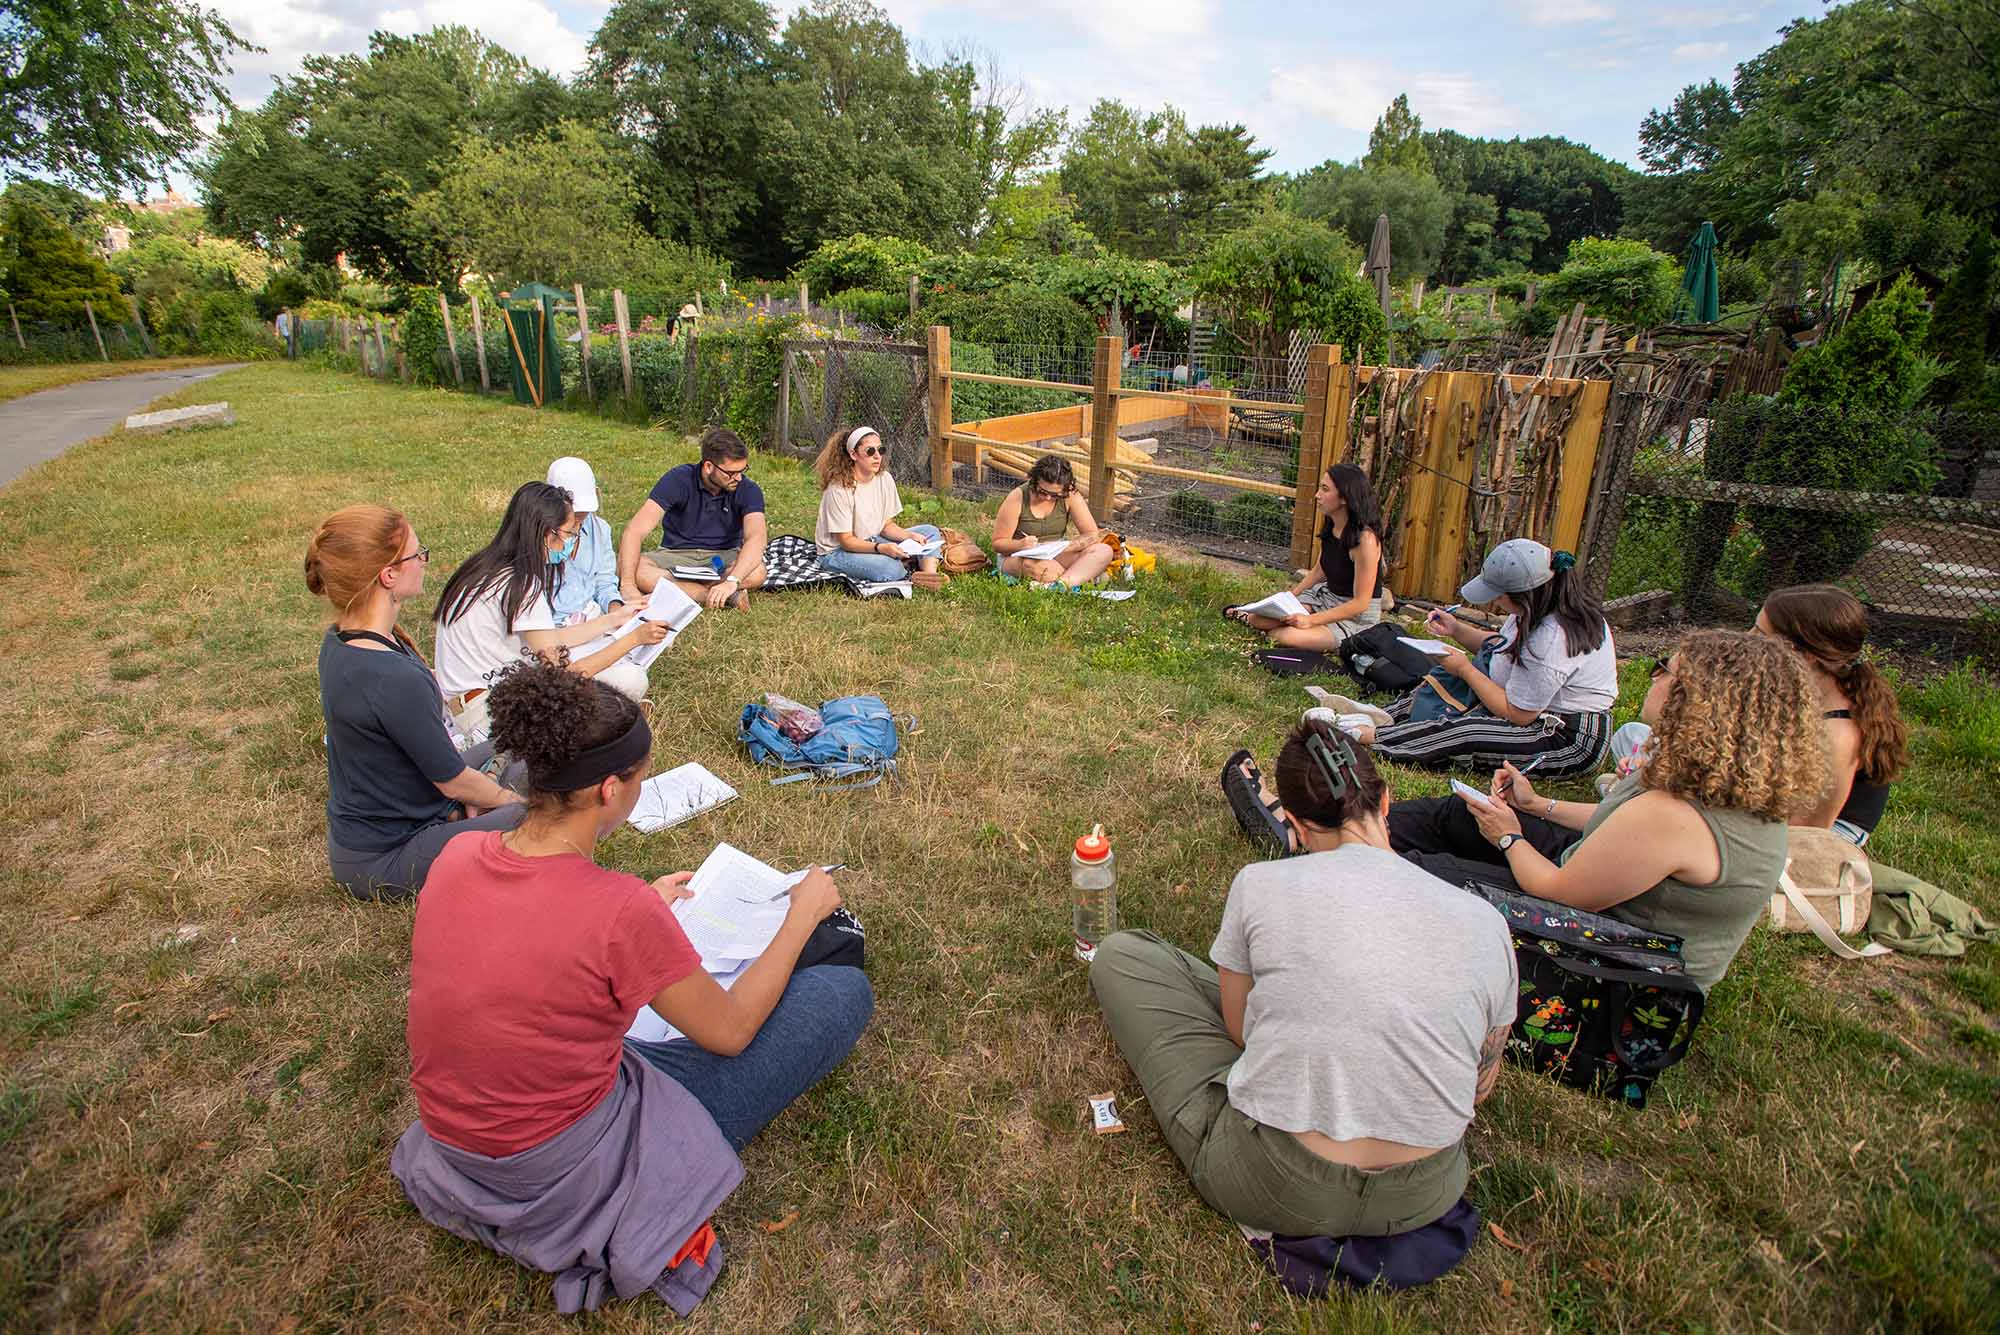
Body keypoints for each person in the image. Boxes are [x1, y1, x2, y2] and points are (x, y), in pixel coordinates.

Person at [391, 662, 872, 1315]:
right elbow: (728, 1031)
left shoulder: (455, 860)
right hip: (564, 1164)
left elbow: (523, 946)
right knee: (842, 993)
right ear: (610, 789)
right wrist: (798, 916)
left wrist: (640, 910)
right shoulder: (617, 912)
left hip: (456, 1143)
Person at [1094, 721, 1514, 1251]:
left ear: (1292, 822)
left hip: (1272, 1182)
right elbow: (1480, 1084)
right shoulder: (1484, 922)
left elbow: (1243, 1031)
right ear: (1385, 802)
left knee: (1124, 956)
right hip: (1424, 1193)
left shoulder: (1261, 884)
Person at [1385, 630, 1827, 992]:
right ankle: (1352, 830)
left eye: (1664, 670)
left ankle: (1355, 869)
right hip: (1601, 898)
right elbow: (1618, 829)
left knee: (1425, 876)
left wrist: (1509, 836)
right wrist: (1537, 805)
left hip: (1624, 961)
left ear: (1697, 702)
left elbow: (1557, 891)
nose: (1653, 677)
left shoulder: (1673, 816)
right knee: (1461, 814)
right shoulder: (1715, 778)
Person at [304, 504, 525, 901]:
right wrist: (501, 799)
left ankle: (467, 813)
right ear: (388, 574)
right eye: (418, 554)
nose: (424, 561)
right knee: (535, 817)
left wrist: (473, 793)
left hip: (407, 813)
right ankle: (476, 816)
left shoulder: (343, 639)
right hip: (385, 855)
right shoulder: (390, 676)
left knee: (521, 740)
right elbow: (452, 779)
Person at [1603, 585, 1908, 846]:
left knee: (1673, 810)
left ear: (1801, 654)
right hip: (1772, 793)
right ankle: (1635, 791)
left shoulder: (1837, 735)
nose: (1747, 638)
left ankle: (1633, 795)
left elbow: (1807, 831)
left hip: (1822, 833)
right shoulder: (1796, 685)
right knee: (1632, 735)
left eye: (1759, 633)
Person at [1352, 539, 1617, 780]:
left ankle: (1374, 737)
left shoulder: (1551, 640)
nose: (1496, 602)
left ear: (1522, 595)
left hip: (1563, 736)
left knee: (1468, 732)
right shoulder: (1536, 609)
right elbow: (1501, 646)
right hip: (1528, 706)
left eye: (1499, 596)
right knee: (1438, 683)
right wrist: (1456, 630)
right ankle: (1380, 716)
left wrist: (1465, 669)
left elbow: (1518, 714)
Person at [435, 481, 665, 745]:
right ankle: (614, 718)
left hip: (472, 701)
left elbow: (549, 637)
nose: (570, 543)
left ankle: (616, 714)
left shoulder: (486, 567)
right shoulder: (521, 584)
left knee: (623, 680)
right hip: (491, 712)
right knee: (628, 680)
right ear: (547, 533)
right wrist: (634, 639)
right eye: (569, 533)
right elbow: (566, 676)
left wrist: (613, 619)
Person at [1227, 463, 1384, 647]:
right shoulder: (1332, 523)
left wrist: (1311, 620)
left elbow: (1360, 603)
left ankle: (1312, 633)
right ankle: (1256, 617)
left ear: (1345, 497)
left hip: (1354, 617)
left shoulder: (1366, 540)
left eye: (1325, 489)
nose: (1317, 495)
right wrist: (1290, 597)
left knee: (1284, 636)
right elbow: (1319, 571)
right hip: (1325, 598)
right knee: (1258, 619)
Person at [619, 428, 768, 612]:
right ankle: (720, 597)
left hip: (723, 558)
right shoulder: (678, 479)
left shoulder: (748, 489)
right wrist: (628, 586)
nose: (738, 478)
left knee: (758, 571)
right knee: (635, 568)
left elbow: (757, 537)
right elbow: (635, 531)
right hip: (677, 555)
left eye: (742, 470)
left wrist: (732, 580)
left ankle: (684, 591)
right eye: (730, 473)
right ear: (708, 466)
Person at [813, 425, 943, 586]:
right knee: (888, 568)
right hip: (837, 553)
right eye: (870, 451)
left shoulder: (884, 478)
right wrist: (881, 548)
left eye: (880, 450)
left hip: (873, 539)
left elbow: (886, 525)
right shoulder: (838, 489)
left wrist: (908, 536)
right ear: (853, 454)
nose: (877, 456)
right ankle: (906, 568)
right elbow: (846, 541)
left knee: (929, 531)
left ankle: (928, 576)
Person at [990, 455, 1116, 589]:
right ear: (1034, 481)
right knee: (1040, 568)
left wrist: (1071, 546)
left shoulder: (1070, 494)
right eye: (1042, 492)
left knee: (1104, 550)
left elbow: (1092, 534)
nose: (1048, 498)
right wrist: (1020, 544)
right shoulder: (1017, 497)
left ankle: (1060, 584)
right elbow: (998, 544)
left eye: (1056, 495)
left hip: (1056, 551)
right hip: (1019, 555)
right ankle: (1079, 578)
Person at [544, 456, 626, 623]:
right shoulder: (539, 535)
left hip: (589, 616)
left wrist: (615, 608)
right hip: (548, 624)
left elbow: (604, 581)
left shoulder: (600, 530)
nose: (578, 521)